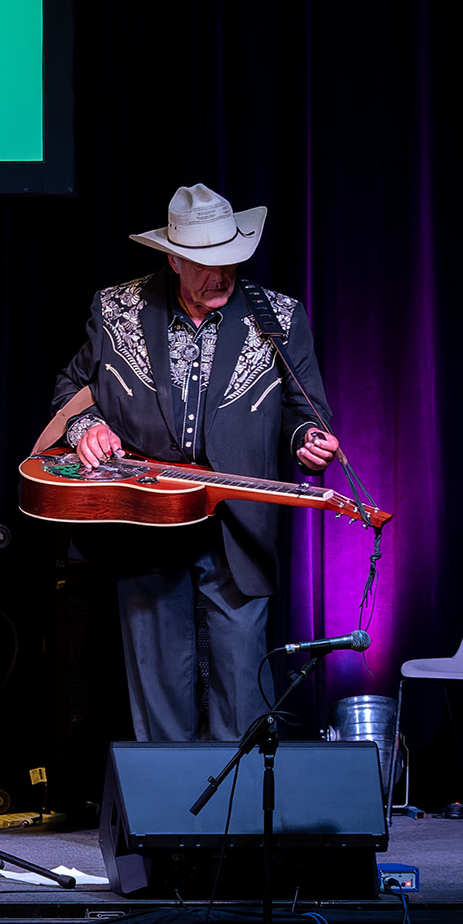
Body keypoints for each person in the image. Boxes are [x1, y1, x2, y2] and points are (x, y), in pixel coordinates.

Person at [51, 183, 337, 743]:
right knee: (159, 701)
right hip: (146, 521)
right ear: (174, 260)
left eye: (230, 260)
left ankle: (238, 799)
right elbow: (71, 389)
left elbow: (305, 412)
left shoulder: (279, 316)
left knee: (242, 696)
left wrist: (307, 440)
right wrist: (88, 428)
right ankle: (170, 801)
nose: (221, 275)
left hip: (238, 526)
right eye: (206, 264)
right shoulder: (118, 308)